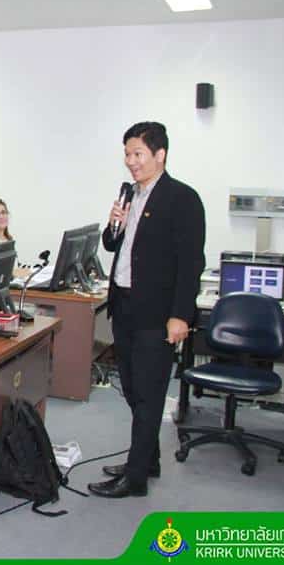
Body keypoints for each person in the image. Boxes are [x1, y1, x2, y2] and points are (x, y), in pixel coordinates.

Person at [88, 122, 205, 499]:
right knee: (133, 389)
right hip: (124, 307)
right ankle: (147, 459)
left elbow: (191, 264)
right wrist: (115, 225)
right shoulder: (131, 195)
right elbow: (113, 245)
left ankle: (135, 478)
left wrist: (181, 315)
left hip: (156, 313)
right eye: (127, 154)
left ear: (160, 155)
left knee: (149, 394)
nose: (130, 161)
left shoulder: (182, 198)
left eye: (137, 153)